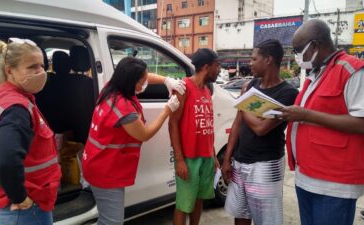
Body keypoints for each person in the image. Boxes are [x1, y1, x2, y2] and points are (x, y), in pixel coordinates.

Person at [278, 19, 364, 225]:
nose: (297, 57)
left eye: (299, 50)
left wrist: (305, 115)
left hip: (334, 183)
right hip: (307, 176)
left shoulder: (351, 70)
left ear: (315, 45)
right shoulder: (317, 73)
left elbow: (361, 123)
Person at [81, 56, 184, 225]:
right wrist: (167, 110)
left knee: (106, 217)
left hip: (95, 162)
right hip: (106, 173)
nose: (146, 83)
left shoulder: (112, 88)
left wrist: (166, 80)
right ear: (131, 81)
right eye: (142, 81)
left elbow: (145, 77)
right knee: (111, 222)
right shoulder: (123, 108)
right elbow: (144, 134)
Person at [0, 38, 61, 225]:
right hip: (25, 209)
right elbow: (7, 162)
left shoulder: (5, 94)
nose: (40, 72)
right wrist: (20, 198)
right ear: (9, 71)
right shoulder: (16, 107)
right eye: (32, 67)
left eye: (41, 65)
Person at [221, 39, 298, 225]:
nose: (250, 63)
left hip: (266, 166)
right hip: (240, 162)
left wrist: (242, 102)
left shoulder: (287, 93)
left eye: (254, 59)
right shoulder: (252, 85)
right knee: (241, 214)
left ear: (268, 60)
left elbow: (261, 128)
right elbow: (238, 123)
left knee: (267, 220)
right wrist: (227, 158)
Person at [169, 48, 221, 225]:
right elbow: (173, 123)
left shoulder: (207, 91)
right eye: (217, 65)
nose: (219, 70)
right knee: (184, 204)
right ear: (207, 67)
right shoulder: (184, 88)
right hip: (188, 158)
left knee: (200, 199)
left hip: (206, 157)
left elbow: (208, 125)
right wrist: (180, 160)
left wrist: (213, 155)